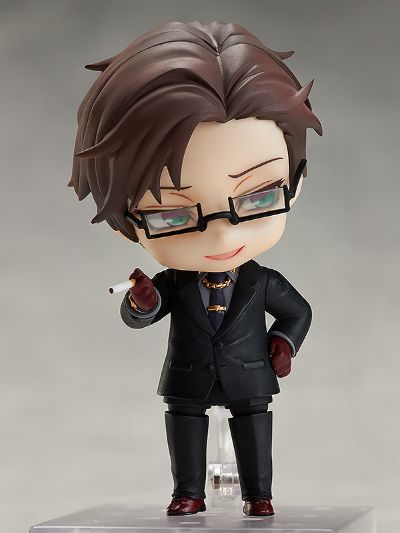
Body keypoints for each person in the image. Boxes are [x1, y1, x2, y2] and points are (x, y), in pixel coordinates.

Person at [69, 20, 322, 516]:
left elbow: (299, 311)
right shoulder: (172, 282)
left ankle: (259, 495)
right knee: (184, 429)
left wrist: (284, 342)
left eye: (258, 198)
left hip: (249, 376)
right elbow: (143, 312)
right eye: (172, 215)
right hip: (188, 377)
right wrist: (143, 303)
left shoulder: (262, 281)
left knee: (255, 429)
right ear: (124, 224)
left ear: (294, 184)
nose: (222, 237)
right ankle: (188, 493)